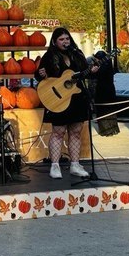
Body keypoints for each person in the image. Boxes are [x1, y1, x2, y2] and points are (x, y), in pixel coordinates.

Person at [35, 27, 97, 179]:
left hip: (76, 98)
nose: (65, 42)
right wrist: (40, 74)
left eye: (67, 39)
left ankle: (75, 165)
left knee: (75, 132)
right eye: (61, 39)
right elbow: (38, 75)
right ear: (55, 42)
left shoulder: (77, 54)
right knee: (58, 132)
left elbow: (83, 73)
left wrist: (92, 71)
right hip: (58, 100)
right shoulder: (49, 56)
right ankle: (55, 166)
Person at [90, 50, 120, 137]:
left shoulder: (102, 67)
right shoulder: (108, 64)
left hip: (102, 90)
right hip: (110, 90)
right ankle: (111, 129)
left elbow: (95, 75)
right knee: (109, 110)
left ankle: (105, 130)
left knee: (103, 110)